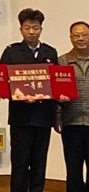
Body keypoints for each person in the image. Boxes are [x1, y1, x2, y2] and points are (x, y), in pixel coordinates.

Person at [0, 8, 58, 192]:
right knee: (20, 162)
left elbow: (56, 84)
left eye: (35, 28)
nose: (31, 32)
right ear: (21, 29)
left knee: (40, 161)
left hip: (43, 117)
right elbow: (1, 83)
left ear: (41, 29)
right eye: (27, 28)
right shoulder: (11, 52)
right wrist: (18, 95)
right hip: (21, 117)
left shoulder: (50, 52)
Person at [57, 21, 89, 192]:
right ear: (70, 38)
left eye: (84, 35)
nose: (81, 38)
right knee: (73, 170)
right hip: (71, 123)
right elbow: (55, 94)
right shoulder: (61, 62)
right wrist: (57, 118)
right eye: (76, 35)